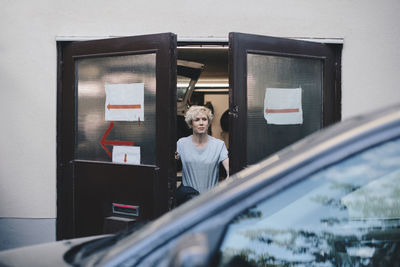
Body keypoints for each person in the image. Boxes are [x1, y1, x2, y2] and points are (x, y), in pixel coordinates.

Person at [176, 105, 229, 201]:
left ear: (208, 123)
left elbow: (229, 170)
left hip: (211, 200)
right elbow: (171, 166)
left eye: (204, 119)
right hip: (188, 201)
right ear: (191, 123)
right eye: (197, 120)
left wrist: (223, 189)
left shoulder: (219, 145)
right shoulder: (181, 144)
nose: (201, 123)